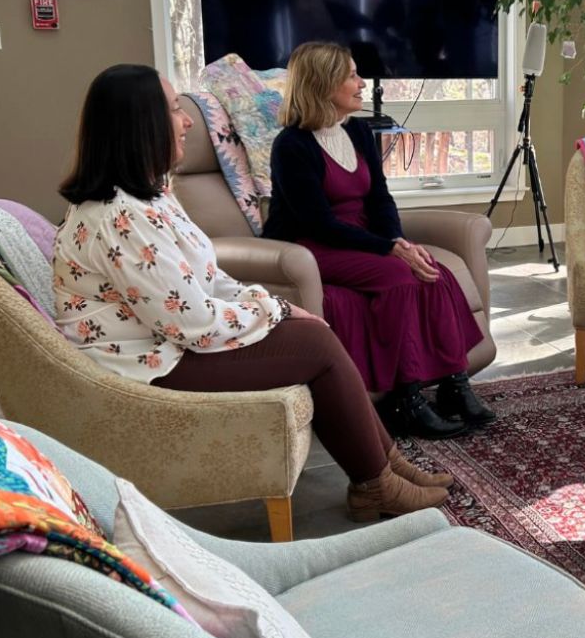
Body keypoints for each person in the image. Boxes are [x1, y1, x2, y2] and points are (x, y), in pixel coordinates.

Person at [53, 64, 452, 522]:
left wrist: (276, 307)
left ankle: (386, 469)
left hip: (166, 345)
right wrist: (276, 310)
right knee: (317, 344)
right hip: (148, 366)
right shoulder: (118, 218)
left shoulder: (151, 198)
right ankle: (377, 484)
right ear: (141, 125)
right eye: (175, 110)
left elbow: (207, 278)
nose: (186, 121)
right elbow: (192, 323)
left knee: (313, 333)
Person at [263, 41, 495, 438]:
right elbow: (318, 223)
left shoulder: (357, 130)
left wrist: (398, 240)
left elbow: (380, 199)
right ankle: (406, 400)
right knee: (399, 277)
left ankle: (454, 383)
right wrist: (389, 249)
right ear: (324, 85)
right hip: (310, 245)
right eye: (351, 76)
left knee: (431, 270)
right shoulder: (291, 145)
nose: (361, 83)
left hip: (361, 236)